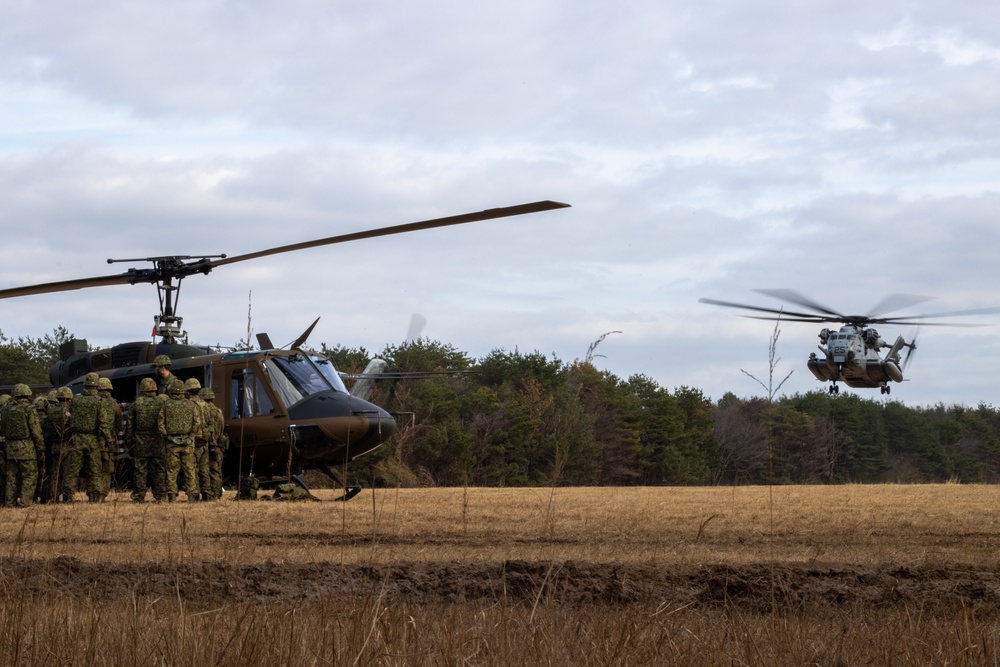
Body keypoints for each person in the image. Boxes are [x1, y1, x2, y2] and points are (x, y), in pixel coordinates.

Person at [63, 373, 113, 503]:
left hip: (77, 438)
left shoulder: (75, 400)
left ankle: (68, 496)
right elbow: (103, 423)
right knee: (95, 469)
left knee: (72, 469)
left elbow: (67, 419)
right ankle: (94, 496)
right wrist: (109, 440)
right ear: (96, 386)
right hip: (92, 439)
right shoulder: (98, 401)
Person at [1, 384, 45, 507]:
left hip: (10, 448)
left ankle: (9, 502)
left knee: (12, 476)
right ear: (27, 394)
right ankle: (25, 502)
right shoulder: (29, 409)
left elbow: (3, 428)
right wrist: (41, 448)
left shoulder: (5, 409)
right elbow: (35, 431)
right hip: (26, 447)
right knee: (29, 475)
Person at [159, 381, 201, 502]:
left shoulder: (166, 405)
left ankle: (171, 496)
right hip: (188, 443)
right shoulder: (191, 405)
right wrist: (191, 436)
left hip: (172, 444)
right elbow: (197, 423)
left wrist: (168, 437)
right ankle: (192, 496)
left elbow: (160, 424)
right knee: (190, 470)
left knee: (172, 471)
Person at [128, 378, 167, 502]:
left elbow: (130, 425)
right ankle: (160, 495)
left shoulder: (136, 404)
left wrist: (129, 440)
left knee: (140, 470)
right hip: (158, 441)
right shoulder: (162, 402)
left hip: (141, 442)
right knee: (159, 470)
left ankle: (139, 496)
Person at [185, 378, 212, 501]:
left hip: (193, 440)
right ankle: (206, 494)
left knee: (192, 468)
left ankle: (194, 494)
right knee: (204, 469)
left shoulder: (188, 405)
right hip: (204, 441)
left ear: (188, 392)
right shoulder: (206, 405)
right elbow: (211, 423)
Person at [199, 387, 227, 500]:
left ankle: (214, 495)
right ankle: (217, 493)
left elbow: (212, 432)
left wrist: (211, 446)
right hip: (219, 445)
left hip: (213, 445)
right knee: (216, 470)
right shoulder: (218, 411)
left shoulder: (209, 412)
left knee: (212, 471)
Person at [97, 377, 123, 500]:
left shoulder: (95, 402)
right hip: (108, 441)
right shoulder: (114, 404)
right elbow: (119, 424)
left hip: (94, 439)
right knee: (106, 468)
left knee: (94, 467)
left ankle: (94, 493)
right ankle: (102, 494)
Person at [45, 387, 73, 503]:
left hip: (54, 445)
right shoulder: (70, 410)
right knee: (68, 472)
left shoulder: (51, 411)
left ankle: (54, 496)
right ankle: (67, 497)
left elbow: (47, 429)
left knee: (56, 472)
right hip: (67, 444)